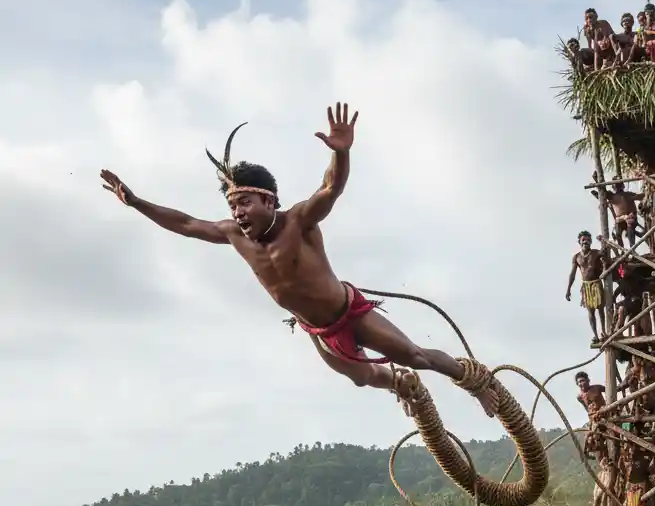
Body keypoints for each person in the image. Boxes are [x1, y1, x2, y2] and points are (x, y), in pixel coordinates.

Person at [100, 104, 498, 418]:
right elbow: (186, 223)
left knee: (415, 355)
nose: (237, 212)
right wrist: (136, 203)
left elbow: (330, 188)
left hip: (349, 311)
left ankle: (476, 381)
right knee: (361, 378)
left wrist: (341, 154)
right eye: (232, 205)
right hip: (317, 329)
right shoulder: (233, 235)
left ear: (269, 201)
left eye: (245, 203)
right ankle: (398, 384)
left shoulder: (299, 222)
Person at [566, 231, 609, 342]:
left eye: (588, 240)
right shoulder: (576, 257)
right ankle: (595, 335)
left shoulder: (595, 253)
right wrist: (568, 289)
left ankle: (604, 331)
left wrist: (602, 241)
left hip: (596, 284)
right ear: (579, 242)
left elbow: (604, 252)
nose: (586, 242)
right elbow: (572, 274)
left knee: (600, 309)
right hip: (586, 287)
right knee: (590, 311)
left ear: (591, 242)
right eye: (583, 240)